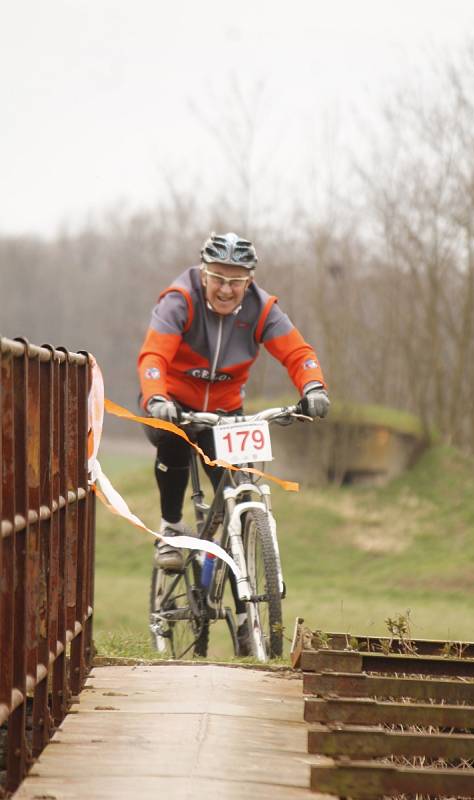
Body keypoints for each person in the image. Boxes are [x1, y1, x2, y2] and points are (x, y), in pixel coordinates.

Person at [137, 231, 329, 651]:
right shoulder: (179, 300)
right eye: (218, 278)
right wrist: (156, 396)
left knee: (241, 493)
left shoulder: (263, 309)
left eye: (236, 281)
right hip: (173, 406)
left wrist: (313, 387)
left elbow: (298, 354)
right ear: (204, 274)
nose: (226, 289)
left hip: (227, 413)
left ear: (249, 280)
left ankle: (246, 615)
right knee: (172, 442)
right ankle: (171, 527)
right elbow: (153, 356)